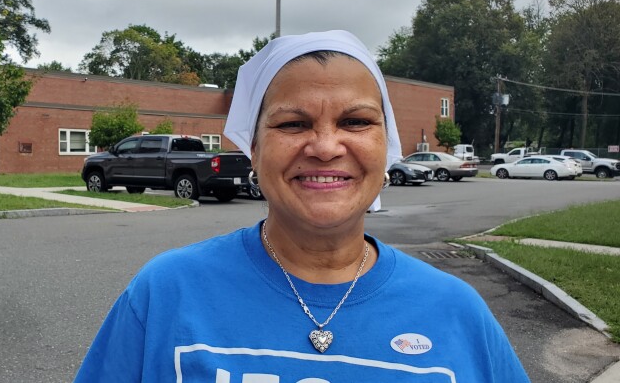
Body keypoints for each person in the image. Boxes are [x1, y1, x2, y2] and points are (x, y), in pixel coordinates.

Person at [74, 30, 530, 382]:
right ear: (253, 149)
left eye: (355, 121)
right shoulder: (165, 295)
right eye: (293, 123)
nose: (327, 146)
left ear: (386, 146)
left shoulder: (456, 312)